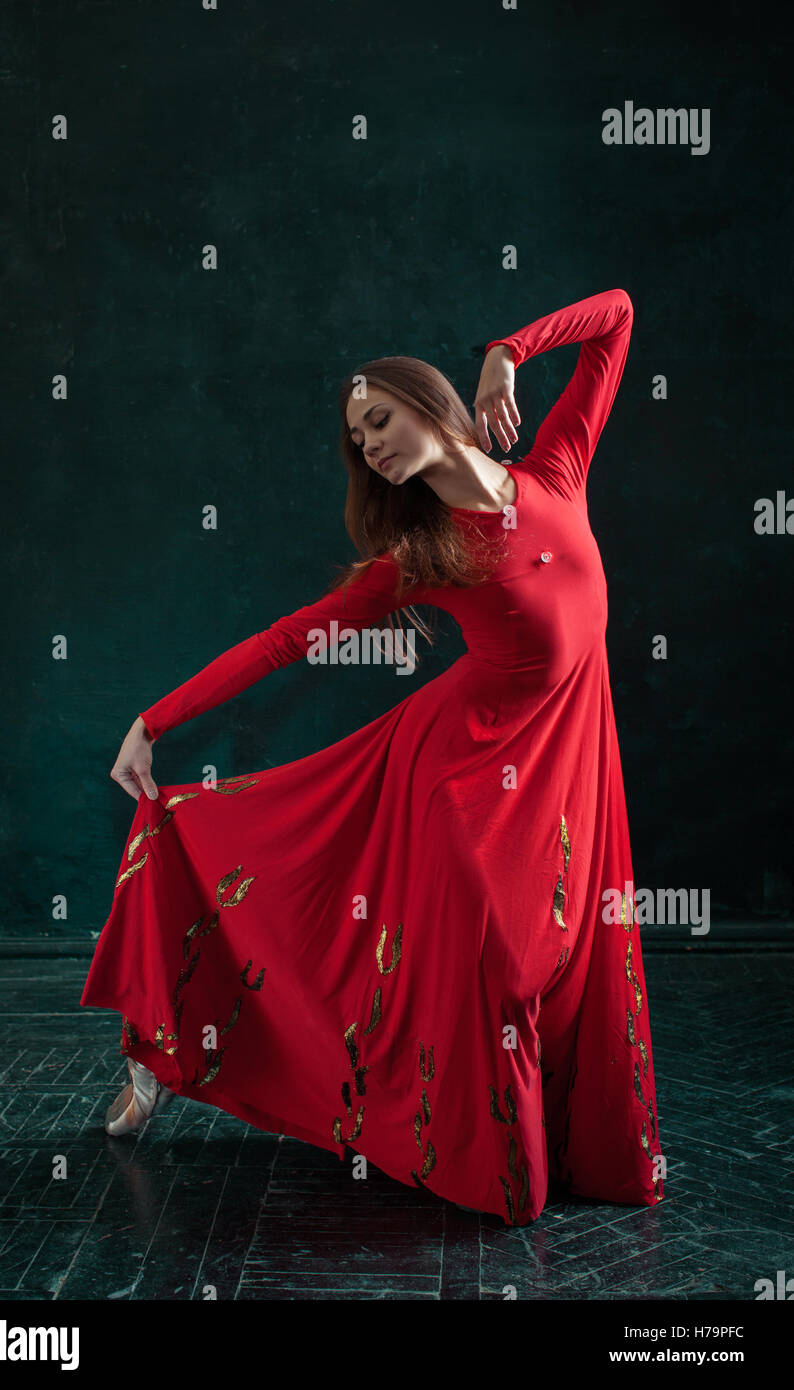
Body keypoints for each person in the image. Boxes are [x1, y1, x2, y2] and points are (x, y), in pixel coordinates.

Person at [81, 287, 664, 1225]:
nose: (371, 444)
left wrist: (509, 348)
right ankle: (171, 1055)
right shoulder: (424, 556)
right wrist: (153, 722)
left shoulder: (557, 470)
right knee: (494, 963)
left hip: (564, 770)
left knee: (569, 957)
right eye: (359, 438)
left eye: (380, 418)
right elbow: (283, 641)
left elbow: (619, 317)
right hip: (454, 781)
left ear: (430, 402)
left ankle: (556, 1147)